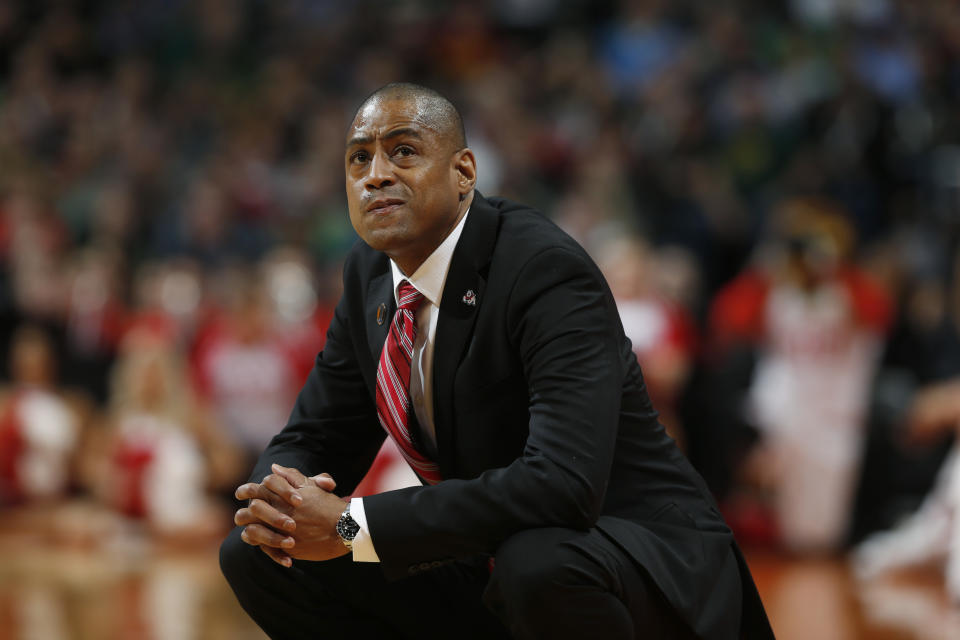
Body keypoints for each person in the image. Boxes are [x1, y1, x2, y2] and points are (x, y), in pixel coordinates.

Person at [219, 83, 773, 640]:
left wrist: (347, 525)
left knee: (538, 564)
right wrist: (277, 502)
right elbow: (316, 434)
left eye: (403, 151)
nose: (376, 174)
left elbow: (563, 486)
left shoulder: (544, 269)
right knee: (261, 556)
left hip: (635, 552)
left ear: (464, 172)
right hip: (497, 550)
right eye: (359, 157)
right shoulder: (368, 275)